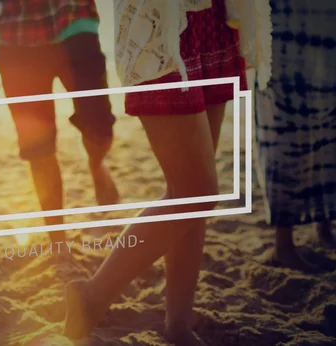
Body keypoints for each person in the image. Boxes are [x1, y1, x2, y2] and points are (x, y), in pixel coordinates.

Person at [63, 0, 272, 344]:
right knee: (198, 191)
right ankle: (91, 295)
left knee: (188, 193)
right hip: (159, 32)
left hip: (213, 23)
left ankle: (178, 322)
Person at [0, 0, 119, 244]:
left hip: (74, 21)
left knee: (100, 127)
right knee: (38, 148)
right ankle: (57, 242)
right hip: (17, 36)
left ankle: (96, 165)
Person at [255, 0, 336, 272]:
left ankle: (325, 223)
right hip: (279, 18)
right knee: (283, 126)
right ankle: (284, 243)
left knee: (330, 119)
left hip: (326, 17)